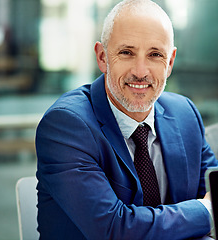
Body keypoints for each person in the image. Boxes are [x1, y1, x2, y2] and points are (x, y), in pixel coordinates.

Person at [35, 0, 218, 239]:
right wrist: (205, 211)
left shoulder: (185, 114)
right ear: (102, 57)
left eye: (155, 55)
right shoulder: (65, 126)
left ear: (170, 62)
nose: (141, 71)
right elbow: (115, 230)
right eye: (126, 53)